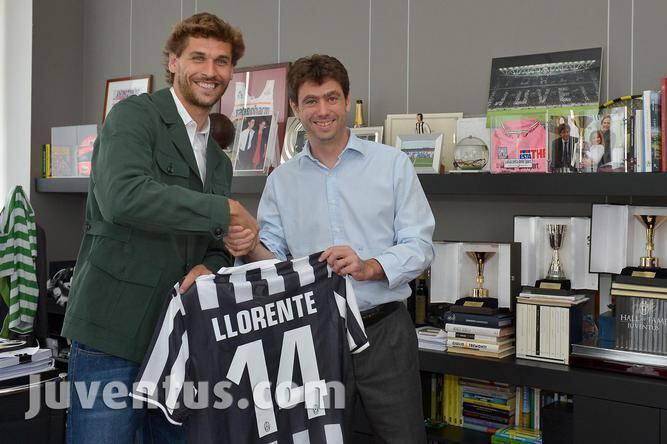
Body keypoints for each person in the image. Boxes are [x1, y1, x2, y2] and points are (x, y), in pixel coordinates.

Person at [61, 13, 259, 443]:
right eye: (198, 58)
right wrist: (222, 211)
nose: (210, 71)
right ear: (173, 61)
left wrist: (215, 260)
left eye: (222, 61)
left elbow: (213, 243)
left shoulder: (220, 162)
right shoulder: (135, 117)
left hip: (181, 340)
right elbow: (123, 197)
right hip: (112, 332)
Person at [227, 54, 435, 443]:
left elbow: (420, 245)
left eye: (331, 98)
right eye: (311, 101)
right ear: (294, 108)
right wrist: (250, 244)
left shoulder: (393, 165)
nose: (323, 111)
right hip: (310, 336)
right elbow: (275, 266)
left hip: (384, 332)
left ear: (346, 100)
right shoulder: (280, 182)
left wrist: (370, 266)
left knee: (403, 437)